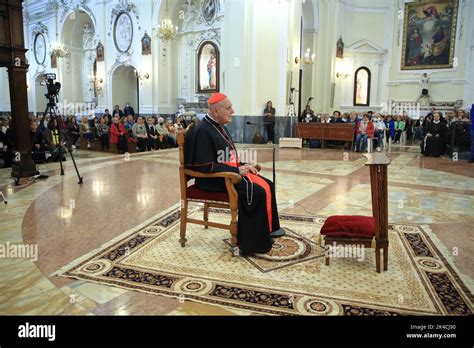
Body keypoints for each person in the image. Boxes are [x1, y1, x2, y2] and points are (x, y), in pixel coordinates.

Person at [185, 93, 284, 255]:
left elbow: (226, 157)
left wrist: (244, 165)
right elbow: (204, 166)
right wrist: (236, 170)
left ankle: (269, 229)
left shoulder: (218, 126)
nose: (233, 111)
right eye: (229, 108)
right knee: (256, 191)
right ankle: (252, 243)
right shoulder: (203, 130)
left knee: (268, 184)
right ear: (216, 111)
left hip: (226, 174)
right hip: (212, 179)